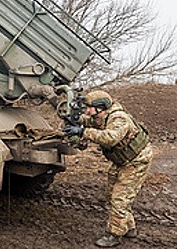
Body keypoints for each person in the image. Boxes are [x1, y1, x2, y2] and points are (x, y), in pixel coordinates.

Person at [62, 90, 153, 248]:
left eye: (89, 107)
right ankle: (129, 227)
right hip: (122, 160)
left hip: (137, 161)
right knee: (112, 194)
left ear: (100, 107)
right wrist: (74, 120)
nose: (87, 110)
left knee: (120, 198)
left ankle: (114, 234)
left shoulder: (119, 118)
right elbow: (88, 121)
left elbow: (110, 138)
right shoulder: (100, 116)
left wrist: (83, 132)